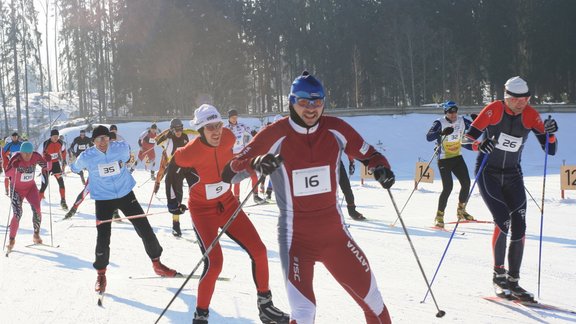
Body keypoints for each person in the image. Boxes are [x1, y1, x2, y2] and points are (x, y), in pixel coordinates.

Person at [222, 71, 395, 323]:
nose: (311, 108)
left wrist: (382, 168)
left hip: (335, 236)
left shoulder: (336, 129)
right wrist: (257, 163)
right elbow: (230, 173)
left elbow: (371, 155)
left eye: (317, 102)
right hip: (296, 240)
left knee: (374, 301)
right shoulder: (275, 134)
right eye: (304, 102)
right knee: (303, 313)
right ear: (292, 101)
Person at [165, 104, 289, 324]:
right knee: (215, 263)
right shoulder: (187, 153)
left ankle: (266, 306)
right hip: (202, 211)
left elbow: (237, 162)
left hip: (228, 204)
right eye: (210, 127)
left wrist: (256, 165)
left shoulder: (229, 137)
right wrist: (172, 202)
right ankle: (201, 316)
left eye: (219, 125)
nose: (217, 131)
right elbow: (171, 176)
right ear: (201, 129)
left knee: (259, 251)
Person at [463, 76, 558, 302]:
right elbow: (466, 140)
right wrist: (479, 144)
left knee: (520, 225)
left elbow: (550, 151)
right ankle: (498, 275)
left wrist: (551, 133)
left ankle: (514, 281)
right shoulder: (494, 110)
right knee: (503, 220)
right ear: (507, 98)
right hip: (488, 172)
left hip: (513, 174)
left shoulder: (531, 115)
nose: (522, 103)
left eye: (526, 98)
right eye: (517, 99)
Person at [70, 125, 180, 295]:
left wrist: (128, 160)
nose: (102, 142)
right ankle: (101, 274)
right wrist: (81, 166)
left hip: (125, 193)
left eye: (105, 139)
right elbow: (74, 167)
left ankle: (157, 264)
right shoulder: (87, 156)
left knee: (145, 228)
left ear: (110, 139)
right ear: (93, 142)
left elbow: (129, 155)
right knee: (103, 237)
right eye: (98, 139)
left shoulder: (120, 148)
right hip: (103, 199)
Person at [426, 101, 475, 228]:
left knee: (466, 183)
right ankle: (439, 216)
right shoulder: (439, 123)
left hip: (457, 157)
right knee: (448, 188)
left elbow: (475, 127)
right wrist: (441, 133)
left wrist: (477, 120)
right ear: (445, 112)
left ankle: (461, 211)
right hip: (444, 159)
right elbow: (429, 137)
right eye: (450, 112)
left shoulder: (462, 120)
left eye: (455, 111)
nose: (453, 114)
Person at [153, 118, 196, 237]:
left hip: (189, 165)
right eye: (176, 130)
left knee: (198, 190)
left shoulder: (187, 134)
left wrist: (185, 130)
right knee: (175, 197)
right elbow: (157, 140)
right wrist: (157, 182)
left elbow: (200, 133)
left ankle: (199, 222)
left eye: (180, 129)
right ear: (172, 130)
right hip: (174, 167)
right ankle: (176, 225)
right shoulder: (167, 140)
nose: (178, 132)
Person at [4, 142, 49, 252]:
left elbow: (46, 167)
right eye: (25, 154)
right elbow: (6, 174)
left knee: (37, 209)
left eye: (29, 153)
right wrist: (14, 168)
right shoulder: (16, 157)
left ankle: (36, 235)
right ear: (21, 152)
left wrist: (48, 160)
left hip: (30, 188)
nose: (28, 156)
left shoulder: (35, 156)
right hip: (16, 190)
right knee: (18, 213)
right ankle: (11, 240)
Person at [225, 109, 264, 204]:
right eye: (232, 117)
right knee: (237, 178)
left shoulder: (242, 126)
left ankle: (256, 196)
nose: (234, 119)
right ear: (229, 118)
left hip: (243, 154)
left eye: (235, 117)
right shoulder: (225, 129)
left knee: (253, 175)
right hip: (233, 156)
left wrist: (260, 135)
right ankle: (236, 199)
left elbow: (253, 133)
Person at [39, 129, 68, 210]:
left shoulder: (60, 142)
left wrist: (64, 160)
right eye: (54, 137)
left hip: (55, 164)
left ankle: (63, 201)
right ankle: (37, 203)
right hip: (46, 164)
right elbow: (38, 155)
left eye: (57, 136)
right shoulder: (45, 143)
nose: (56, 138)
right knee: (44, 185)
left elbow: (63, 151)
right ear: (50, 136)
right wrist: (44, 159)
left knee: (61, 182)